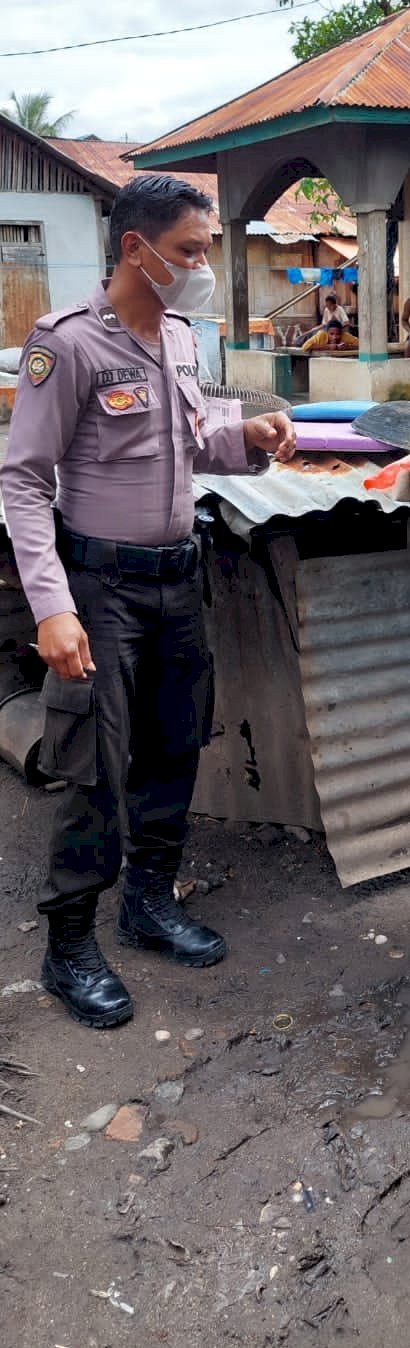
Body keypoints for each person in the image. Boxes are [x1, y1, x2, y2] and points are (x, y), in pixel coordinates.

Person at [0, 176, 295, 1029]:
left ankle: (149, 902)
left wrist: (252, 438)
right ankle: (69, 945)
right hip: (101, 589)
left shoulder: (175, 337)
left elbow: (193, 439)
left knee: (173, 746)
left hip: (176, 578)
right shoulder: (68, 345)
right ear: (137, 248)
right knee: (93, 765)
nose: (201, 267)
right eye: (191, 251)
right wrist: (52, 606)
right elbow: (22, 482)